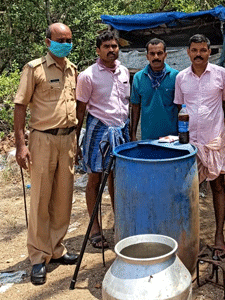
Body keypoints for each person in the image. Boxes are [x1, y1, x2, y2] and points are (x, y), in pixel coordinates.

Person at [13, 22, 79, 285]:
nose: (65, 43)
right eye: (60, 39)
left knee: (63, 198)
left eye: (69, 39)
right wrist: (21, 144)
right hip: (42, 140)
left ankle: (56, 249)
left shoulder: (73, 70)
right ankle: (39, 257)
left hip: (68, 140)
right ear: (48, 42)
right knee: (41, 198)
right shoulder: (34, 69)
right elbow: (20, 106)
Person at [174, 34, 225, 260]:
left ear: (210, 52)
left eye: (203, 50)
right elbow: (180, 107)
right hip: (190, 144)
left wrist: (213, 123)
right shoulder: (181, 77)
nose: (198, 54)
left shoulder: (221, 75)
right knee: (190, 192)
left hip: (214, 140)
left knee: (218, 186)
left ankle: (219, 236)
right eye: (194, 50)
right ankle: (191, 239)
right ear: (188, 52)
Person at [75, 31, 130, 249]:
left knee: (117, 178)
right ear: (98, 50)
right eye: (106, 46)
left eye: (114, 46)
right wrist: (75, 140)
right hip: (98, 129)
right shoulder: (87, 75)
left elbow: (126, 103)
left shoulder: (124, 72)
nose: (111, 50)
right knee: (95, 178)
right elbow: (80, 109)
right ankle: (95, 227)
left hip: (121, 129)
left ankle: (121, 223)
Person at [130, 38, 180, 141]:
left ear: (165, 55)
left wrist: (183, 133)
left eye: (159, 53)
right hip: (147, 138)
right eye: (152, 54)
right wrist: (133, 134)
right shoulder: (138, 78)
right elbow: (135, 107)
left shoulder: (176, 76)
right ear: (147, 56)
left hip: (172, 138)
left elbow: (181, 107)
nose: (156, 57)